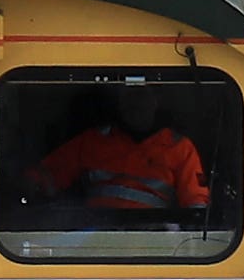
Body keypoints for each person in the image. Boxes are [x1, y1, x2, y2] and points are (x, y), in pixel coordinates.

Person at [19, 84, 209, 215]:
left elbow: (195, 202)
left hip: (156, 239)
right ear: (119, 101)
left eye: (141, 95)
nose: (135, 104)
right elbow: (48, 175)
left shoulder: (180, 147)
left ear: (156, 100)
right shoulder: (93, 140)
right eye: (128, 96)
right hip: (94, 236)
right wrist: (24, 186)